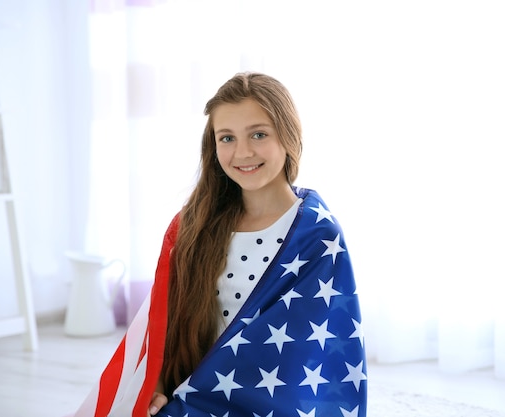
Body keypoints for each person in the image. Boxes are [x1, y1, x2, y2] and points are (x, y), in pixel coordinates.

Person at [72, 72, 367, 417]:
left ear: (288, 136)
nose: (242, 152)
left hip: (271, 402)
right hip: (194, 391)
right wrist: (156, 382)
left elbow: (312, 348)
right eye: (226, 138)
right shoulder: (194, 224)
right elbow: (167, 319)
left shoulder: (317, 235)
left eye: (258, 134)